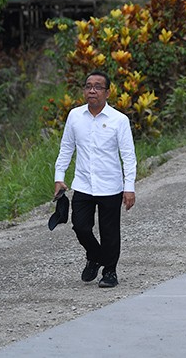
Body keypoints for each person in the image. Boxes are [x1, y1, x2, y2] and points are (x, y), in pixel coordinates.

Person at [53, 70, 136, 289]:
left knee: (110, 232)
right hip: (83, 184)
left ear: (107, 93)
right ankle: (95, 255)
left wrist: (129, 188)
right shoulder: (75, 116)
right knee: (80, 226)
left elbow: (128, 157)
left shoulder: (119, 120)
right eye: (88, 86)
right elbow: (66, 148)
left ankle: (110, 272)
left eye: (98, 87)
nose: (92, 90)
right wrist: (59, 177)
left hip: (110, 186)